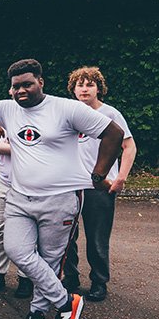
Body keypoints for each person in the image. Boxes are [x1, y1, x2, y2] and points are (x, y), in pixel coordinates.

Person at [0, 58, 124, 319]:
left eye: (27, 84)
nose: (20, 90)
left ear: (41, 82)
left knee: (50, 260)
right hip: (19, 198)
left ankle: (37, 315)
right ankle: (66, 303)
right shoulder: (8, 107)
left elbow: (114, 133)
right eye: (15, 86)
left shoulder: (66, 108)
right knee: (17, 250)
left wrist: (98, 175)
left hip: (60, 199)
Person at [63, 66, 137, 301]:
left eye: (90, 84)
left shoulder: (111, 114)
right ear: (73, 89)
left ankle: (99, 282)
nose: (84, 89)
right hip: (70, 185)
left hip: (100, 186)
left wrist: (121, 177)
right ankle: (71, 279)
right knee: (66, 237)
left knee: (97, 238)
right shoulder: (68, 113)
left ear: (98, 88)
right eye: (80, 85)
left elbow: (129, 146)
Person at [0, 137, 33, 298]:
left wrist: (10, 147)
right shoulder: (3, 120)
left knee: (27, 233)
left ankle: (25, 277)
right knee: (0, 230)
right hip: (4, 182)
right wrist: (23, 148)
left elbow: (39, 149)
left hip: (29, 185)